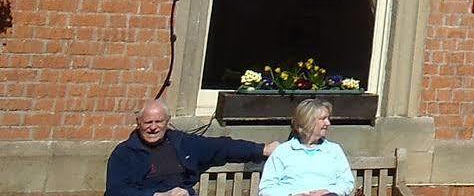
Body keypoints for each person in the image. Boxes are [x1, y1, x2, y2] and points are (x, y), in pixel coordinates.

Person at [106, 99, 277, 196]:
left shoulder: (182, 143)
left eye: (158, 122)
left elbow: (221, 147)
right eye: (148, 122)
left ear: (167, 122)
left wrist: (262, 149)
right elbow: (117, 190)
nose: (153, 127)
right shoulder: (125, 153)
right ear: (138, 123)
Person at [258, 98, 355, 196]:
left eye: (328, 118)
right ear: (308, 121)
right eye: (323, 119)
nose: (328, 123)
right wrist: (292, 195)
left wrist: (329, 191)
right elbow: (267, 188)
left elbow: (346, 182)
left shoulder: (334, 150)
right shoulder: (283, 151)